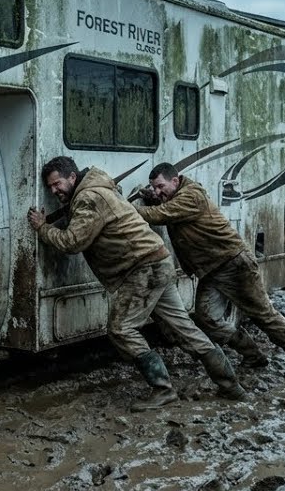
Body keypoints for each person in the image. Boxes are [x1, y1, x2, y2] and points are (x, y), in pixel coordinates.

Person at [27, 156, 246, 410]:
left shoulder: (88, 197)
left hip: (143, 268)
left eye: (57, 184)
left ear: (73, 177)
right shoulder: (101, 187)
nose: (54, 190)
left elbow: (72, 242)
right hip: (157, 261)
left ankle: (163, 389)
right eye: (50, 187)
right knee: (184, 329)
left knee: (121, 329)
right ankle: (231, 385)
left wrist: (42, 228)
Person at [134, 162, 285, 377]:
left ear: (175, 181)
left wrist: (124, 208)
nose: (158, 191)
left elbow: (160, 215)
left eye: (160, 186)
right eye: (154, 188)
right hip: (212, 270)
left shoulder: (192, 196)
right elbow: (166, 206)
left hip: (234, 264)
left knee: (264, 316)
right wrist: (154, 197)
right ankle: (253, 355)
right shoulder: (177, 196)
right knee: (207, 319)